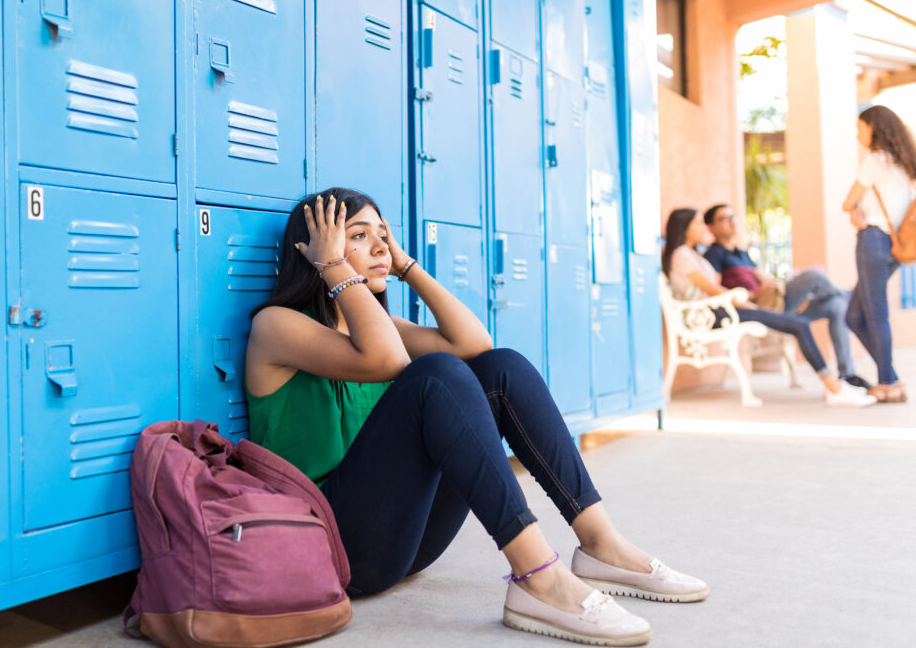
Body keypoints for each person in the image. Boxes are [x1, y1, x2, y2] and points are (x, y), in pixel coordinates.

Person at [244, 188, 709, 647]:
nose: (381, 246)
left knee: (499, 368)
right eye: (359, 235)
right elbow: (386, 360)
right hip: (335, 551)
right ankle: (538, 577)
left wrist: (405, 266)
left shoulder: (381, 328)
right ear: (317, 250)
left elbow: (475, 343)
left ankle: (601, 543)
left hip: (406, 542)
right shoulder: (277, 327)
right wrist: (333, 266)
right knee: (435, 377)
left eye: (383, 234)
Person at [662, 208, 875, 408]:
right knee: (801, 321)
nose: (702, 228)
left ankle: (841, 383)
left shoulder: (693, 254)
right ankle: (835, 390)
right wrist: (748, 303)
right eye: (698, 223)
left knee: (826, 310)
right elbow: (712, 289)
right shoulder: (682, 254)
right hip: (713, 314)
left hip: (723, 310)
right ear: (683, 227)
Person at [841, 105, 915, 403]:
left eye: (861, 128)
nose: (858, 135)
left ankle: (886, 382)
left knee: (874, 314)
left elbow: (848, 202)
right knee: (854, 315)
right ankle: (892, 378)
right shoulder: (904, 162)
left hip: (873, 240)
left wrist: (855, 212)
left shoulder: (875, 160)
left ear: (874, 128)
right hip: (896, 246)